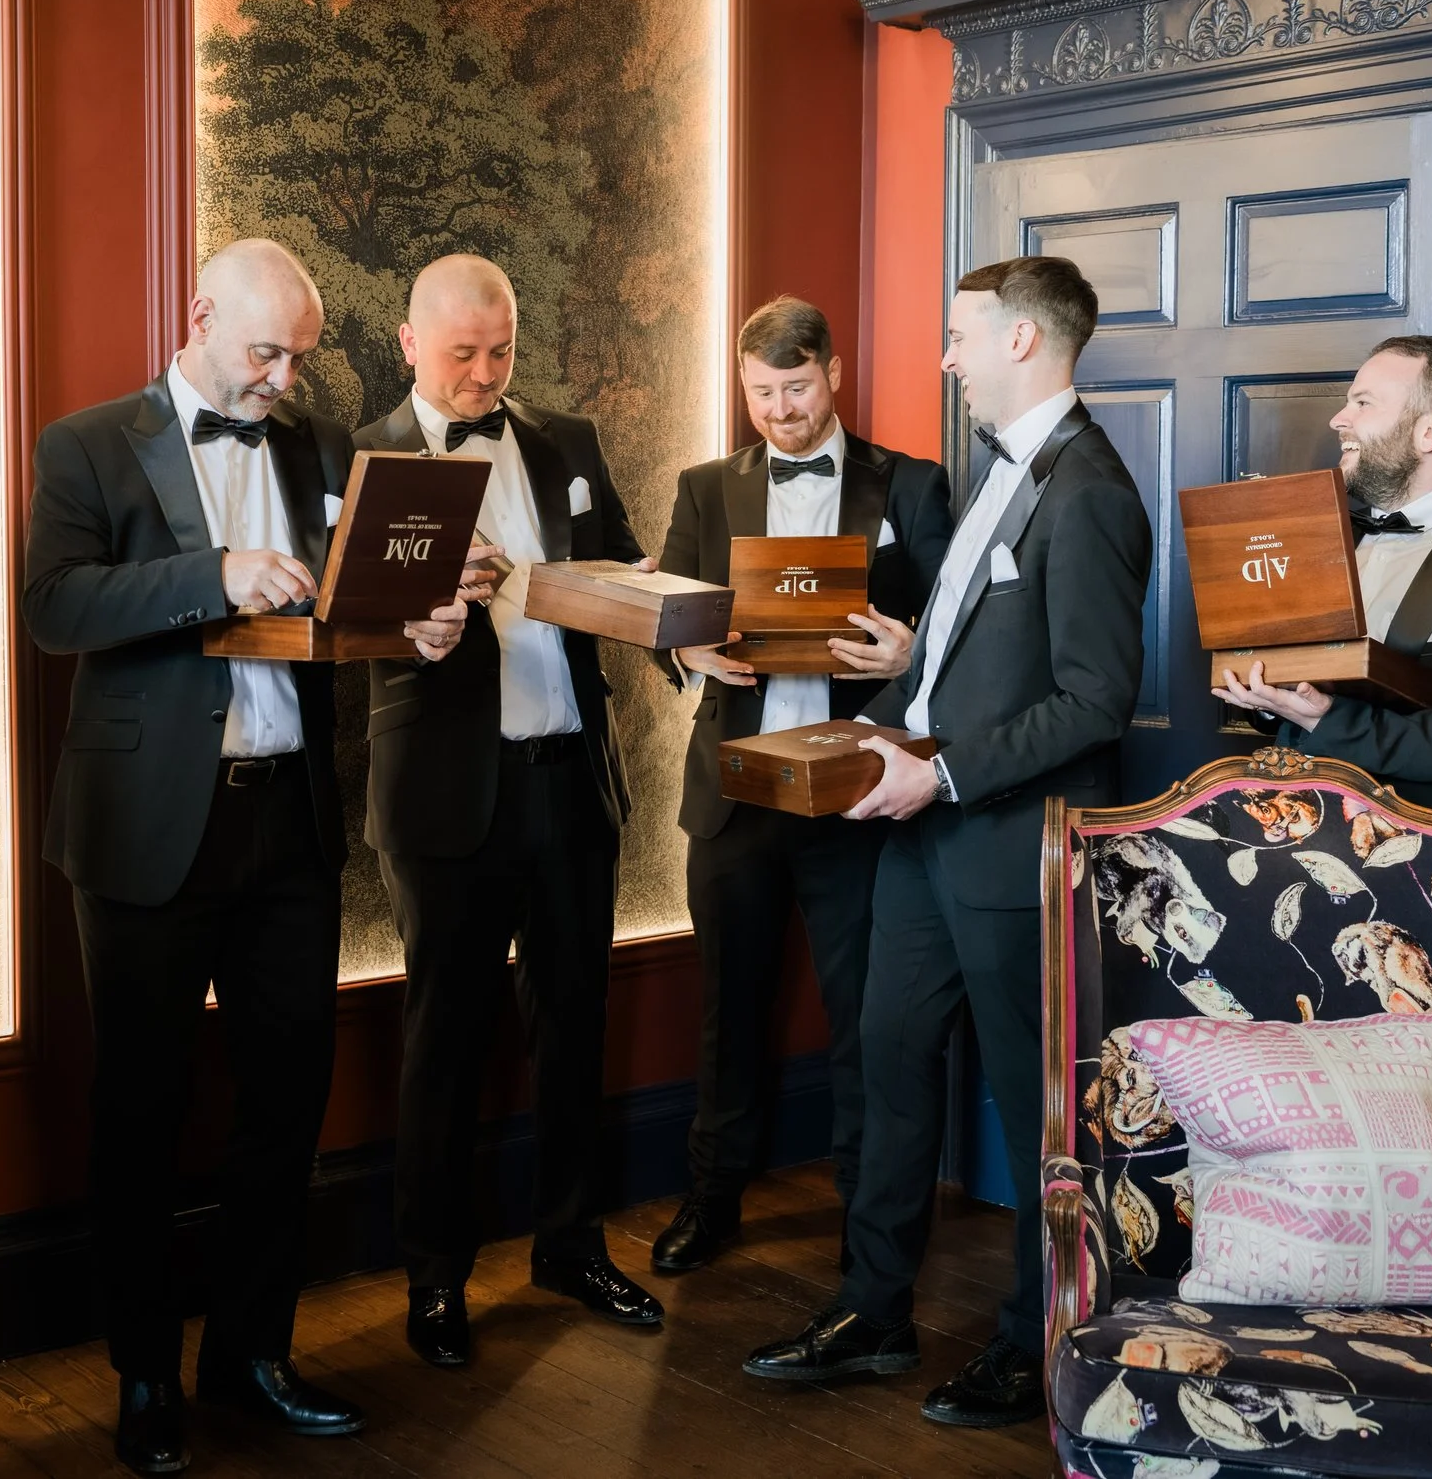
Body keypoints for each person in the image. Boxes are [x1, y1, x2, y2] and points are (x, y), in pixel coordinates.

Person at [22, 239, 465, 1476]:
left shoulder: (323, 447)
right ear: (202, 315)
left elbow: (355, 608)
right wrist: (209, 573)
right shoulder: (88, 444)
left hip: (288, 820)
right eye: (265, 351)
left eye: (299, 356)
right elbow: (56, 605)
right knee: (143, 1109)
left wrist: (416, 625)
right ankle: (146, 1372)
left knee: (286, 1101)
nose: (282, 376)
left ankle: (256, 1354)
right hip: (144, 823)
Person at [743, 255, 1150, 1430]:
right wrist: (879, 721)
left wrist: (945, 769)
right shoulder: (997, 474)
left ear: (1023, 340)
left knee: (1035, 1112)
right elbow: (952, 662)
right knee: (887, 1065)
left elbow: (1094, 699)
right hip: (920, 838)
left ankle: (1039, 1340)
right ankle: (873, 1311)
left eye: (961, 334)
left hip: (1009, 848)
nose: (945, 357)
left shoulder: (1087, 490)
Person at [353, 252, 663, 1371]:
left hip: (570, 777)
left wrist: (674, 617)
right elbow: (349, 634)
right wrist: (425, 607)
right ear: (408, 345)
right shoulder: (364, 459)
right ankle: (434, 1277)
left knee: (573, 1018)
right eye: (461, 356)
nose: (486, 376)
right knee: (446, 1039)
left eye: (502, 354)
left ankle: (569, 1241)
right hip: (445, 796)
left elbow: (624, 567)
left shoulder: (565, 443)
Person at [651, 295, 952, 1277]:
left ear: (831, 372)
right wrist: (689, 651)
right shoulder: (704, 488)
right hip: (734, 792)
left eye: (794, 386)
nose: (778, 409)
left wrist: (913, 652)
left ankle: (865, 1215)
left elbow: (955, 641)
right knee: (725, 1008)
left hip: (856, 794)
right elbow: (668, 623)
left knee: (864, 1014)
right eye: (759, 392)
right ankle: (712, 1197)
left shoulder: (910, 484)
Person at [1214, 336, 1432, 808]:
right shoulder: (1316, 534)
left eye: (1363, 403)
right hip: (1290, 822)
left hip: (1427, 845)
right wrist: (1268, 699)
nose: (1338, 418)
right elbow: (1300, 685)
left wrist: (1329, 721)